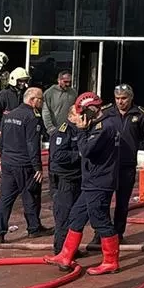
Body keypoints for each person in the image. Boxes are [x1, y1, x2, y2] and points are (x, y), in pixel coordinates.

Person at [46, 92, 123, 276]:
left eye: (83, 112)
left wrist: (81, 131)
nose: (81, 117)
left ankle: (111, 261)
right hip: (91, 180)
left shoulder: (103, 127)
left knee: (100, 220)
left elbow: (86, 150)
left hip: (99, 181)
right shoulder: (101, 124)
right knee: (76, 215)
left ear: (92, 110)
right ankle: (65, 255)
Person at [89, 84, 144, 253]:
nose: (120, 102)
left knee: (122, 202)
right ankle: (100, 233)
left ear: (130, 98)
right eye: (117, 98)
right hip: (107, 164)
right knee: (103, 200)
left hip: (127, 164)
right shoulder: (107, 112)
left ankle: (118, 232)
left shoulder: (140, 114)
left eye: (123, 98)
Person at [0, 87, 50, 243]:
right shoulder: (32, 117)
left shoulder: (9, 115)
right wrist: (38, 167)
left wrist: (2, 159)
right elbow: (32, 144)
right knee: (30, 196)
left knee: (5, 199)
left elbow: (2, 142)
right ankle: (34, 228)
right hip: (24, 164)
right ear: (32, 100)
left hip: (8, 163)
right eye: (40, 99)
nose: (42, 102)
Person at [48, 104, 85, 255]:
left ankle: (71, 249)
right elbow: (57, 156)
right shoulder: (63, 131)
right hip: (64, 179)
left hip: (77, 178)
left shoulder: (81, 130)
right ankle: (60, 251)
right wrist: (79, 154)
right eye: (79, 115)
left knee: (75, 216)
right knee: (63, 216)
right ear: (70, 116)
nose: (83, 117)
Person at [0, 67, 30, 143]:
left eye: (25, 81)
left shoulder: (27, 94)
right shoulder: (4, 94)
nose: (23, 83)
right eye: (20, 81)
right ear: (14, 80)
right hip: (6, 129)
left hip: (21, 129)